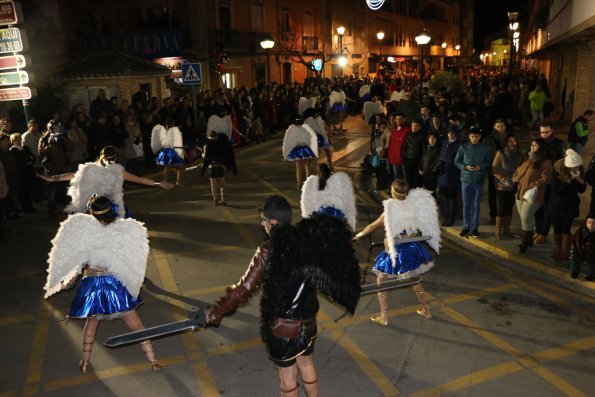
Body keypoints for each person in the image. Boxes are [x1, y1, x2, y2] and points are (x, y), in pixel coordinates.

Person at [206, 195, 360, 397]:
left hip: (283, 328)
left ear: (273, 222)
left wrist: (216, 312)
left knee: (287, 378)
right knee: (306, 363)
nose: (262, 225)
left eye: (263, 220)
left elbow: (243, 289)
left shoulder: (267, 250)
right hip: (308, 321)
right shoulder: (308, 239)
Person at [44, 195, 164, 373]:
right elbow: (128, 258)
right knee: (135, 323)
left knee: (91, 323)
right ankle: (153, 360)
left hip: (92, 285)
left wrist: (66, 282)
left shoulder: (84, 235)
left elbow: (78, 263)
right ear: (111, 211)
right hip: (116, 283)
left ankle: (84, 362)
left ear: (90, 212)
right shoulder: (120, 232)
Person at [353, 179, 441, 325]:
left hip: (395, 251)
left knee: (381, 281)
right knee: (415, 281)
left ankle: (384, 317)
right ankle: (426, 309)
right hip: (410, 249)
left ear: (393, 193)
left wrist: (360, 235)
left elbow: (374, 225)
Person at [38, 146, 174, 217]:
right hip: (110, 208)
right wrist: (158, 183)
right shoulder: (118, 171)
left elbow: (72, 175)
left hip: (93, 208)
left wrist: (53, 178)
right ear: (115, 158)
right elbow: (139, 179)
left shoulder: (90, 168)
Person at [512, 138, 553, 253]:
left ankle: (524, 243)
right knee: (525, 218)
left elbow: (546, 178)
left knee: (525, 217)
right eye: (531, 145)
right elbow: (518, 171)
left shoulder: (546, 161)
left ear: (541, 147)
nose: (532, 147)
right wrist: (515, 178)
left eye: (535, 145)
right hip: (520, 193)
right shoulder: (527, 158)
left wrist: (533, 184)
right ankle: (529, 241)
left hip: (533, 195)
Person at [548, 149, 586, 260]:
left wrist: (579, 180)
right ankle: (558, 250)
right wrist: (568, 181)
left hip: (570, 206)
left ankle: (565, 253)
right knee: (557, 229)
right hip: (557, 206)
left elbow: (582, 190)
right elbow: (555, 191)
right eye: (574, 167)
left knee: (566, 229)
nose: (576, 169)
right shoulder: (558, 171)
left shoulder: (579, 171)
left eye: (578, 166)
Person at [454, 128, 492, 238]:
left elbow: (489, 162)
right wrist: (465, 167)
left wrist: (481, 167)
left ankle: (475, 228)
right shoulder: (463, 147)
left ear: (480, 137)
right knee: (466, 205)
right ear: (469, 136)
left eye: (476, 136)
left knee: (476, 206)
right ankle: (466, 227)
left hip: (479, 181)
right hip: (465, 180)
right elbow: (456, 161)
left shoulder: (485, 148)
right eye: (472, 136)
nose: (474, 139)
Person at [534, 122, 566, 244]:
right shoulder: (539, 142)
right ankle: (538, 230)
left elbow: (563, 163)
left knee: (547, 208)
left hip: (552, 180)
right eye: (542, 132)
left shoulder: (559, 144)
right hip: (540, 178)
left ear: (552, 131)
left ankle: (544, 233)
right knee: (538, 206)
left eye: (547, 132)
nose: (544, 135)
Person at [300, 163, 356, 230]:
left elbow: (309, 202)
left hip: (321, 213)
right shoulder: (337, 182)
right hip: (336, 214)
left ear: (318, 172)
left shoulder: (313, 183)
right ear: (329, 172)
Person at [491, 135, 522, 239]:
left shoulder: (518, 154)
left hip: (513, 185)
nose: (512, 143)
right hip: (501, 185)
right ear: (505, 143)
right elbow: (494, 169)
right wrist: (503, 179)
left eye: (514, 141)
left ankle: (506, 230)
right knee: (501, 208)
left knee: (509, 208)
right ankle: (498, 232)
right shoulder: (500, 153)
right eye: (509, 141)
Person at [201, 130, 237, 206]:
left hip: (211, 167)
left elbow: (205, 157)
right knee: (222, 184)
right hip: (220, 166)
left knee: (213, 184)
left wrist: (202, 154)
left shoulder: (206, 146)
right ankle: (223, 199)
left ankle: (215, 200)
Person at [282, 115, 318, 190]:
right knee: (307, 166)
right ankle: (308, 185)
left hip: (297, 150)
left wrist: (286, 151)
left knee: (298, 167)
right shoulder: (306, 128)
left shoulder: (292, 129)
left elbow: (288, 141)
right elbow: (311, 138)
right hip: (306, 149)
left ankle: (299, 184)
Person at [437, 127, 461, 226]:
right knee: (444, 197)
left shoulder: (459, 145)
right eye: (449, 133)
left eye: (452, 133)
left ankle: (451, 219)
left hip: (453, 174)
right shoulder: (444, 143)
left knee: (452, 197)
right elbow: (441, 155)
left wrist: (446, 162)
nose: (450, 135)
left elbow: (456, 159)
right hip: (443, 174)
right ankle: (445, 216)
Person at [151, 117, 185, 186]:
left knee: (168, 167)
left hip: (165, 151)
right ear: (172, 123)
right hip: (171, 151)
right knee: (179, 167)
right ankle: (177, 182)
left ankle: (166, 180)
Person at [570, 214, 595, 281]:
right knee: (576, 254)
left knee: (591, 258)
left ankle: (591, 274)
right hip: (582, 249)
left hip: (592, 251)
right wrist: (580, 247)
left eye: (593, 223)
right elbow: (576, 240)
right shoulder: (581, 230)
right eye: (589, 222)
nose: (591, 225)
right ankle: (575, 271)